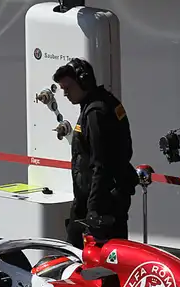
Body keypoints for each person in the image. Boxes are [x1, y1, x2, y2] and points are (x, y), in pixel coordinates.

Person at [52, 58, 138, 249]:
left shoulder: (96, 114)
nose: (65, 94)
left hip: (100, 203)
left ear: (84, 82)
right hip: (101, 199)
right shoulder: (102, 103)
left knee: (87, 258)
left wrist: (93, 209)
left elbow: (102, 164)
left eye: (68, 88)